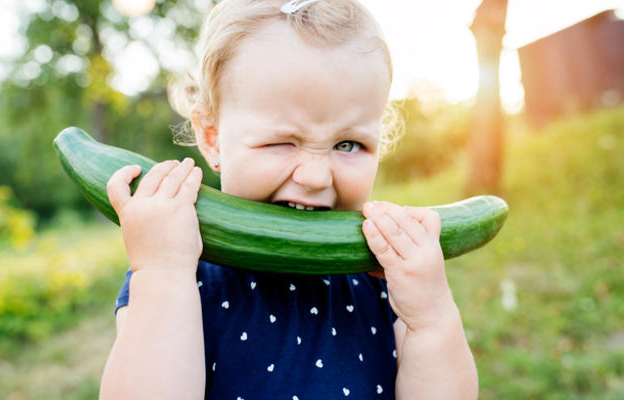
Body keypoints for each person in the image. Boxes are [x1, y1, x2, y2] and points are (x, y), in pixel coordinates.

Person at [99, 0, 478, 398]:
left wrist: (431, 318)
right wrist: (160, 273)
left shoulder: (386, 282)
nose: (315, 177)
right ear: (211, 136)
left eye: (348, 144)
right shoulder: (179, 270)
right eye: (281, 141)